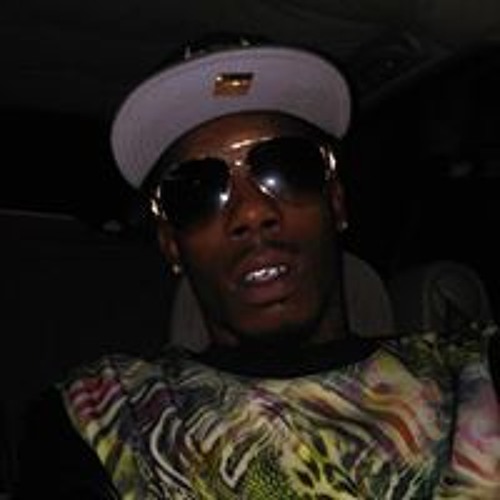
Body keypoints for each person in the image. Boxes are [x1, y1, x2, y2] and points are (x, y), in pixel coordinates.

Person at [14, 36, 500, 499]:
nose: (250, 212)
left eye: (287, 167)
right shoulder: (107, 418)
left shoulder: (475, 378)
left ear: (336, 202)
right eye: (196, 190)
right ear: (171, 244)